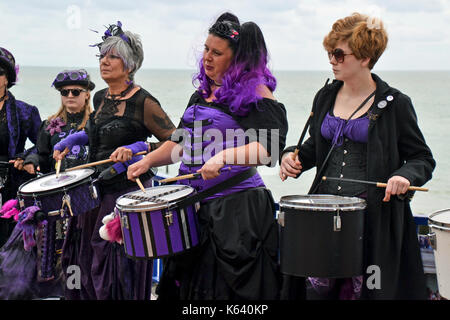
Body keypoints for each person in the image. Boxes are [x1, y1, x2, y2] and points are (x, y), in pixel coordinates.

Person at [127, 12, 288, 300]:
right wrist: (148, 161)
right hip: (194, 212)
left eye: (217, 52)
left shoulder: (256, 93)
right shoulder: (200, 95)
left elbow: (268, 149)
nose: (207, 58)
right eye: (206, 49)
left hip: (237, 214)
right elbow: (179, 145)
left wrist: (225, 157)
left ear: (236, 58)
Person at [279, 13, 435, 300]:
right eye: (329, 52)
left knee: (370, 290)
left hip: (374, 223)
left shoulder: (396, 104)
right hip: (323, 217)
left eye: (339, 54)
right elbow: (316, 145)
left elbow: (422, 158)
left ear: (365, 57)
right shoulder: (325, 96)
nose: (332, 60)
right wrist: (292, 157)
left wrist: (403, 175)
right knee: (316, 292)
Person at [53, 21, 176, 299]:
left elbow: (177, 142)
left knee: (114, 271)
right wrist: (71, 140)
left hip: (124, 196)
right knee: (84, 265)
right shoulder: (100, 97)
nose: (104, 62)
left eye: (112, 56)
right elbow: (98, 133)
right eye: (102, 56)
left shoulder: (144, 102)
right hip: (94, 194)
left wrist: (140, 147)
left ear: (129, 65)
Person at [0, 69, 95, 300]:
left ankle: (80, 294)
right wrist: (31, 161)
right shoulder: (50, 126)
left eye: (75, 91)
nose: (69, 96)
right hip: (57, 206)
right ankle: (65, 295)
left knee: (84, 255)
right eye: (64, 92)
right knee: (60, 259)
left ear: (87, 95)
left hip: (87, 204)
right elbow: (41, 154)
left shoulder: (96, 125)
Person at [0, 47, 41, 247]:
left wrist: (25, 158)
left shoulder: (25, 111)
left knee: (7, 244)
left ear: (7, 78)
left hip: (9, 185)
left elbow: (41, 145)